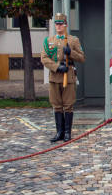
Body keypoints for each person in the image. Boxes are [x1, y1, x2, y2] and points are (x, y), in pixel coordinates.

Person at [40, 13, 85, 142]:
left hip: (68, 77)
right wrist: (57, 67)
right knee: (57, 105)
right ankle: (59, 132)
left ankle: (67, 133)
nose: (58, 26)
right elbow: (44, 58)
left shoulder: (72, 40)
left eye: (61, 24)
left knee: (68, 105)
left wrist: (71, 52)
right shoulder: (49, 41)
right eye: (56, 24)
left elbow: (82, 57)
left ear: (65, 25)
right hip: (54, 77)